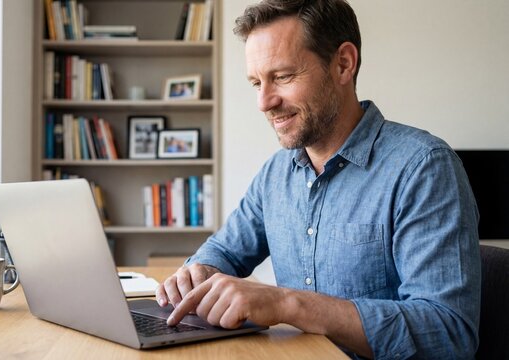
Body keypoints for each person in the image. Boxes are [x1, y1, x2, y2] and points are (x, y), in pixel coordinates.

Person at [155, 1, 481, 359]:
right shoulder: (275, 175)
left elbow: (449, 334)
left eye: (282, 77)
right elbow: (225, 251)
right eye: (256, 82)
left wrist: (289, 304)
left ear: (343, 64)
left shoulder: (423, 168)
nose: (264, 102)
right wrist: (197, 272)